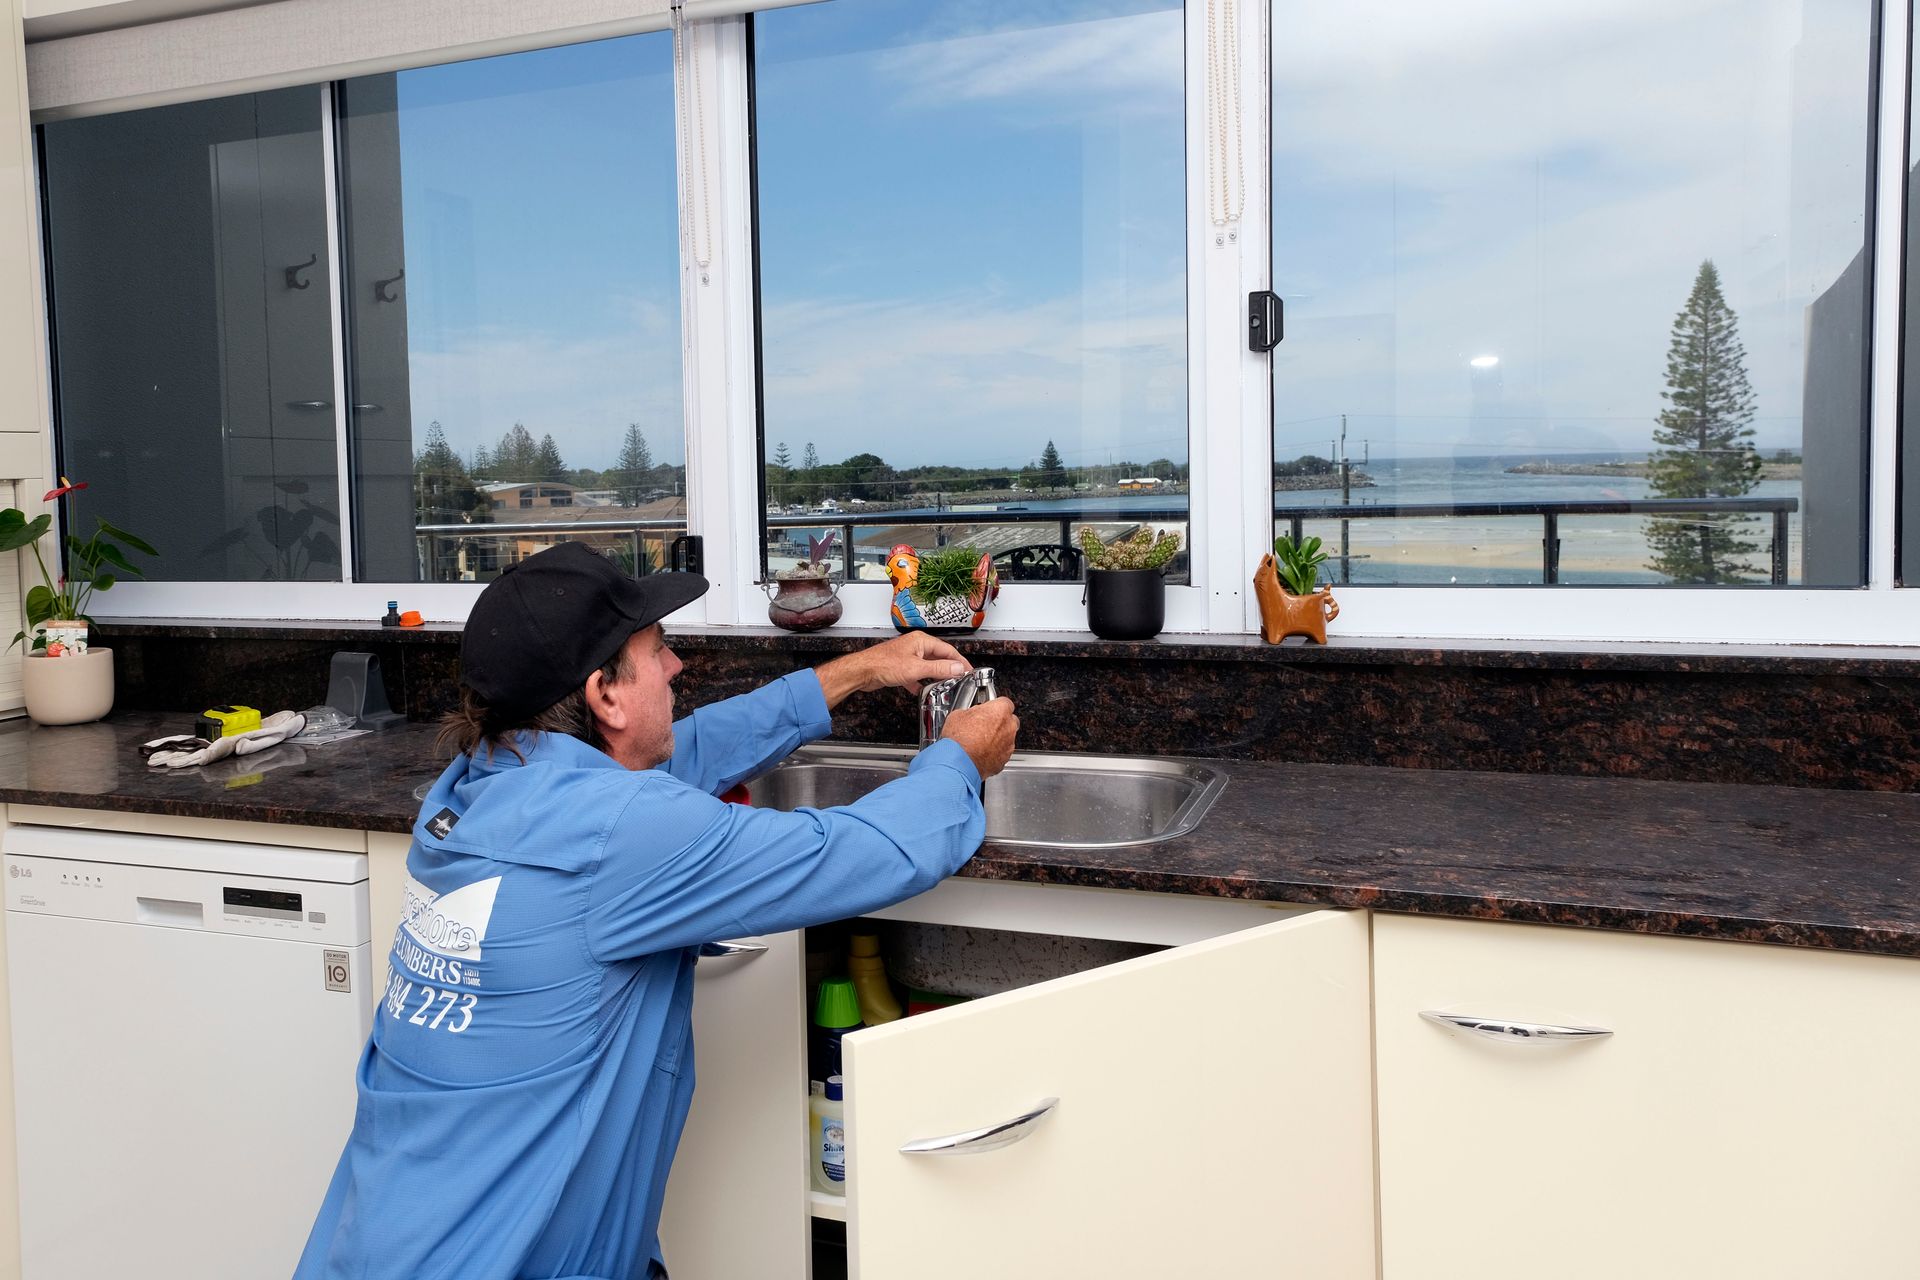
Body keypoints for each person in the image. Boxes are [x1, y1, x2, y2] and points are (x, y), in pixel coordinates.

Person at [295, 541, 1018, 1280]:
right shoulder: (615, 839)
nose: (677, 667)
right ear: (605, 695)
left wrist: (859, 671)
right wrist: (958, 758)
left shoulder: (476, 783)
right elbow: (874, 851)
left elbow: (681, 753)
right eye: (659, 648)